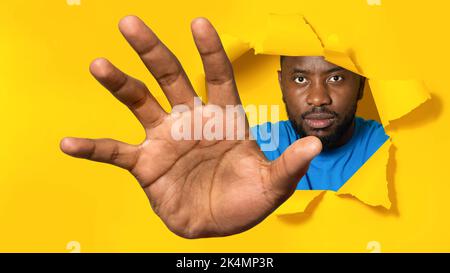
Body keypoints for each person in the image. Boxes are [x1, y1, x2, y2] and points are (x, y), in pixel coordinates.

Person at [60, 15, 386, 239]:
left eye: (336, 78)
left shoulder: (398, 151)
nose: (318, 98)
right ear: (282, 84)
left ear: (361, 86)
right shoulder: (239, 148)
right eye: (300, 78)